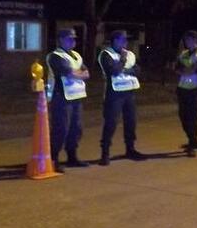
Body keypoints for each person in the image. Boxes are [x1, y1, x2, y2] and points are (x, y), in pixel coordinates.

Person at [97, 30, 145, 165]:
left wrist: (126, 69)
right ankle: (105, 153)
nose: (126, 42)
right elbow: (114, 71)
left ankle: (130, 149)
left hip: (129, 92)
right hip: (114, 93)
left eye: (126, 39)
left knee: (131, 122)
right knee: (111, 123)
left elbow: (138, 70)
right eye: (123, 39)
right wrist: (123, 61)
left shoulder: (130, 54)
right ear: (115, 40)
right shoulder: (106, 54)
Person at [46, 28, 90, 173]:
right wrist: (78, 73)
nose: (73, 41)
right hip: (60, 97)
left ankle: (72, 157)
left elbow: (87, 73)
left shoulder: (76, 55)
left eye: (74, 38)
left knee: (76, 128)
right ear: (60, 40)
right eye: (69, 38)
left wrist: (77, 73)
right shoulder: (55, 56)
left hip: (76, 96)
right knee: (61, 129)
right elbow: (70, 73)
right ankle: (53, 159)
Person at [176, 30, 197, 157]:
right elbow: (177, 69)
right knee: (183, 116)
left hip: (194, 90)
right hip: (182, 89)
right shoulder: (183, 54)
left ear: (195, 40)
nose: (186, 42)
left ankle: (192, 144)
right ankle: (193, 140)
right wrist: (186, 70)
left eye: (188, 39)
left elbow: (192, 69)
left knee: (193, 118)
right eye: (185, 39)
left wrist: (185, 70)